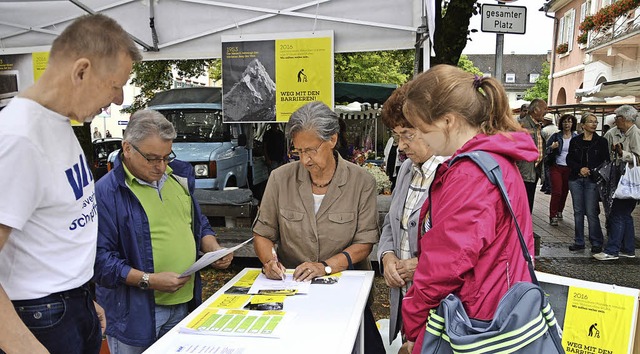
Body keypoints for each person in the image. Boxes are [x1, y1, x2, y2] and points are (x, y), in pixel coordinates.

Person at [0, 14, 140, 354]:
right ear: (81, 71)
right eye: (115, 84)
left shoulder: (58, 122)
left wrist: (82, 297)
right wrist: (23, 346)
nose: (120, 99)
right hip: (38, 316)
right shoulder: (18, 138)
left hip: (70, 302)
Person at [399, 65, 537, 353]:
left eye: (422, 130)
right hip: (497, 309)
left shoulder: (469, 174)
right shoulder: (493, 160)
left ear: (447, 121)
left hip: (474, 324)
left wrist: (412, 322)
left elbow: (444, 265)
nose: (420, 139)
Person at [93, 110, 233, 353]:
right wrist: (149, 280)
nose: (161, 166)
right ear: (127, 148)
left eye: (167, 157)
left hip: (185, 304)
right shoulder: (106, 192)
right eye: (152, 158)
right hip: (134, 315)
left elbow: (197, 223)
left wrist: (213, 248)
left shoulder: (177, 176)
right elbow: (101, 261)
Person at [253, 101, 385, 353]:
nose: (304, 160)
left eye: (311, 150)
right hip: (291, 290)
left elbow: (365, 242)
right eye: (298, 152)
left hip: (344, 291)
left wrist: (325, 267)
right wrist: (269, 260)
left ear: (332, 139)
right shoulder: (280, 179)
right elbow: (263, 233)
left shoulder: (361, 181)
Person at [376, 85, 446, 345]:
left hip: (439, 309)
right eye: (397, 136)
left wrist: (422, 265)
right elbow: (391, 224)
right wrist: (387, 256)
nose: (401, 145)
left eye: (407, 135)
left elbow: (463, 249)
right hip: (407, 299)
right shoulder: (407, 168)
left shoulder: (454, 175)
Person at [595, 105, 640, 260]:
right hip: (625, 180)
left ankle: (612, 250)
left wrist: (623, 153)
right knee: (625, 215)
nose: (615, 120)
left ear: (624, 119)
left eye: (617, 117)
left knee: (617, 214)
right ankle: (628, 249)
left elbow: (638, 157)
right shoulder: (627, 133)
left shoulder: (635, 133)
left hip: (629, 181)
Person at [566, 112, 609, 253]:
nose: (594, 124)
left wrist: (590, 170)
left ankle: (596, 241)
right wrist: (579, 169)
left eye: (595, 122)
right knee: (578, 211)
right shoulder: (575, 140)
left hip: (592, 179)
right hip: (576, 178)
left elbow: (605, 161)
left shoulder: (601, 141)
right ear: (583, 125)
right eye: (591, 121)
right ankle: (579, 241)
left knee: (591, 211)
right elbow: (569, 159)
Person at [546, 114, 578, 226]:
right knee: (557, 192)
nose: (567, 124)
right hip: (556, 166)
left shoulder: (576, 137)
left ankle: (560, 210)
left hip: (569, 168)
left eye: (569, 122)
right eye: (564, 122)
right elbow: (546, 149)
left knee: (565, 191)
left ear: (573, 124)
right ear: (561, 123)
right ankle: (553, 215)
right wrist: (552, 148)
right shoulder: (556, 136)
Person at [517, 98, 547, 212]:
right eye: (544, 109)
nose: (546, 111)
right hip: (523, 173)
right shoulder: (522, 126)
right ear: (536, 110)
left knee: (528, 206)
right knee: (522, 207)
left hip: (533, 172)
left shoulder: (537, 126)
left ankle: (525, 228)